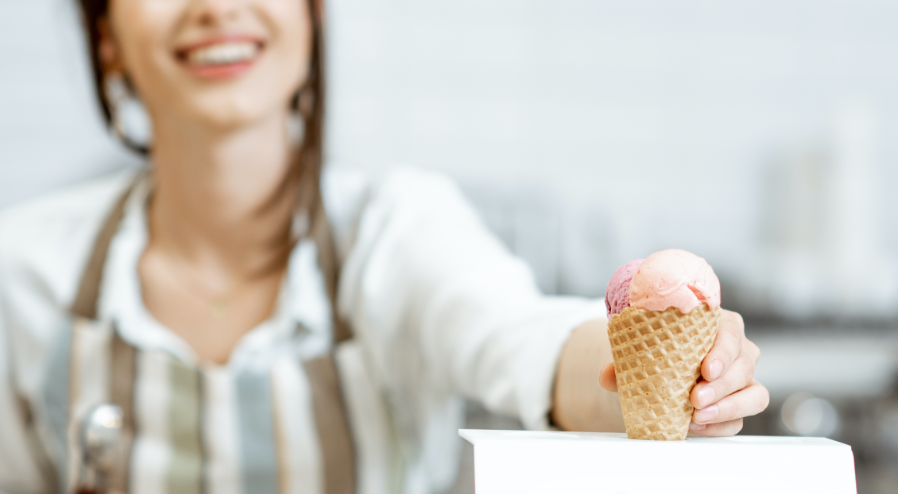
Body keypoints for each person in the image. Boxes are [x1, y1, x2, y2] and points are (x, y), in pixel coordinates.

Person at [0, 0, 769, 493]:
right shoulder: (24, 267)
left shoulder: (398, 230)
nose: (215, 6)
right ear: (105, 38)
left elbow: (525, 342)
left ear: (313, 15)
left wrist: (674, 384)